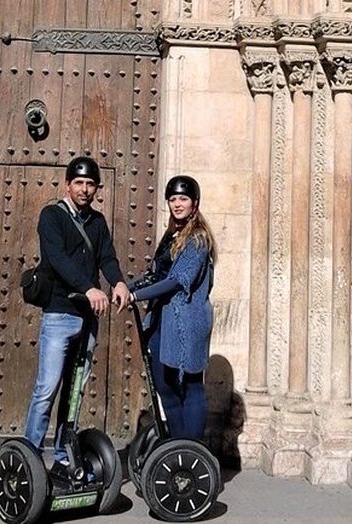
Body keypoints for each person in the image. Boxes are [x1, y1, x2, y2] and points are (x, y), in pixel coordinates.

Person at [23, 156, 130, 472]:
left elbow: (107, 257)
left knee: (74, 392)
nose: (85, 189)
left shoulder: (97, 223)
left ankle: (60, 456)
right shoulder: (52, 217)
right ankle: (30, 456)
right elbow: (57, 259)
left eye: (90, 184)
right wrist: (89, 288)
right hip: (60, 315)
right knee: (48, 388)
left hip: (87, 321)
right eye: (79, 183)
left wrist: (118, 282)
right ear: (68, 184)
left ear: (97, 188)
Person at [129, 175, 216, 441]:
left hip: (187, 320)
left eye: (183, 199)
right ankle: (176, 447)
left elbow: (179, 280)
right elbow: (156, 274)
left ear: (195, 203)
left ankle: (192, 450)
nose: (177, 204)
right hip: (161, 320)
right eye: (173, 199)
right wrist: (125, 286)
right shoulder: (171, 236)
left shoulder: (198, 239)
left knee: (190, 385)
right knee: (164, 385)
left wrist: (136, 296)